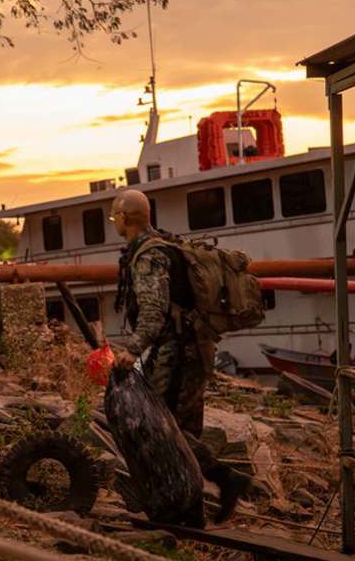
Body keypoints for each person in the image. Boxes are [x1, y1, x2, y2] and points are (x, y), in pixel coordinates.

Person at [110, 189, 251, 523]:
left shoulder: (148, 256)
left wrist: (132, 348)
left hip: (177, 353)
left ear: (126, 217)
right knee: (185, 429)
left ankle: (225, 480)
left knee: (164, 428)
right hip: (196, 347)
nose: (114, 221)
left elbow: (154, 310)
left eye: (115, 215)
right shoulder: (168, 244)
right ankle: (193, 512)